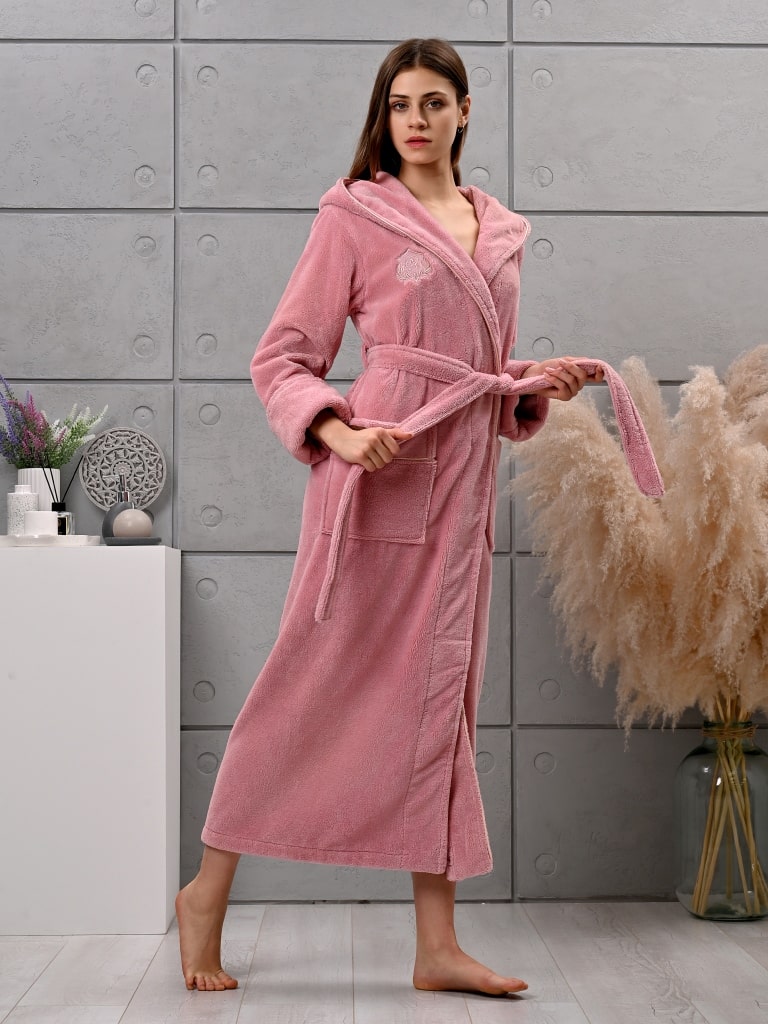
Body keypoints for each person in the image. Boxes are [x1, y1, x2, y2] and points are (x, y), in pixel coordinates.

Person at [176, 37, 603, 996]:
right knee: (303, 690)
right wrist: (338, 431)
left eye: (434, 102)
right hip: (375, 487)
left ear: (463, 112)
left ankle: (436, 946)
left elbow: (475, 372)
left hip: (461, 501)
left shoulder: (500, 231)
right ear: (386, 114)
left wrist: (530, 383)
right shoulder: (354, 214)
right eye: (401, 103)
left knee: (440, 704)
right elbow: (282, 357)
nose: (416, 119)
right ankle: (206, 891)